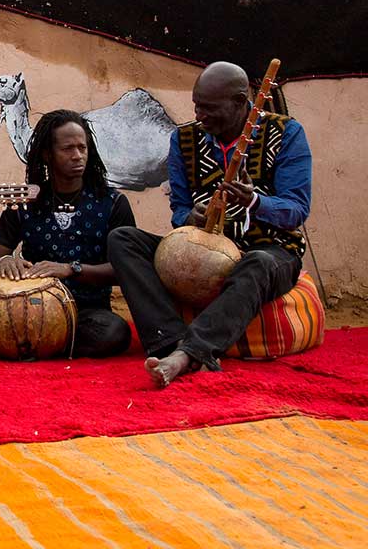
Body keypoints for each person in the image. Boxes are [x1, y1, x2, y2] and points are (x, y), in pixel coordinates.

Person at [109, 62, 312, 387]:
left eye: (209, 108)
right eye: (197, 106)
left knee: (258, 262)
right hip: (200, 249)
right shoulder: (184, 139)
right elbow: (180, 210)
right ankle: (169, 340)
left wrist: (254, 202)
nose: (200, 116)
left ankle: (189, 353)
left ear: (239, 99)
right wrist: (190, 217)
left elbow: (297, 210)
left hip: (267, 251)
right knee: (123, 240)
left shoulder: (286, 134)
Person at [0, 110, 134, 358]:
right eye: (67, 149)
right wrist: (5, 261)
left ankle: (40, 344)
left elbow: (125, 270)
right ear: (47, 154)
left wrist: (71, 269)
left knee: (115, 333)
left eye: (82, 148)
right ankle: (45, 341)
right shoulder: (23, 202)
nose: (78, 156)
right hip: (30, 309)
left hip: (87, 312)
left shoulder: (113, 202)